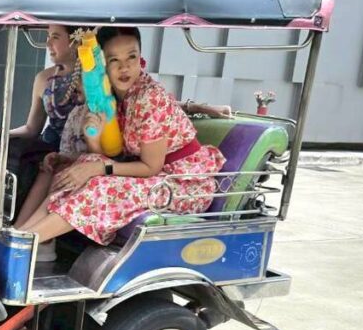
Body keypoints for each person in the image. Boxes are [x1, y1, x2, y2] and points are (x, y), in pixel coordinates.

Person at [15, 26, 226, 246]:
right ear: (103, 64)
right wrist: (80, 153)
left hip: (183, 185)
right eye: (114, 59)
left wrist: (100, 169)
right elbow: (108, 157)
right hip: (153, 177)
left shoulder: (149, 97)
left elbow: (150, 167)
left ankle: (24, 244)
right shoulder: (111, 96)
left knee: (100, 187)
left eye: (131, 57)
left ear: (140, 58)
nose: (124, 67)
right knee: (70, 168)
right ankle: (21, 233)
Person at [0, 25, 84, 146]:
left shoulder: (92, 78)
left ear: (76, 41)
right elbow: (31, 129)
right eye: (48, 36)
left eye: (55, 37)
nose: (48, 44)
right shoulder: (43, 79)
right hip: (49, 150)